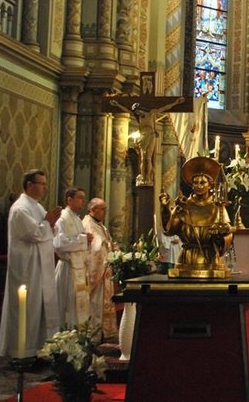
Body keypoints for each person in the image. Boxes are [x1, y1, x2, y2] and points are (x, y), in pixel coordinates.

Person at [0, 169, 62, 358]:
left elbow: (49, 230)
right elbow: (34, 233)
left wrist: (51, 223)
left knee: (39, 310)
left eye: (45, 184)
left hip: (40, 267)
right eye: (41, 184)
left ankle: (39, 349)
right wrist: (48, 222)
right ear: (29, 185)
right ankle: (22, 352)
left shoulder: (37, 206)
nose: (45, 187)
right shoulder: (20, 208)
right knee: (27, 310)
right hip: (27, 268)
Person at [159, 157, 234, 278]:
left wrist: (220, 236)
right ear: (191, 184)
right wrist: (165, 209)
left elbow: (228, 234)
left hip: (210, 258)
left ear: (210, 185)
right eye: (195, 182)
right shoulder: (184, 206)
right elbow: (170, 230)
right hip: (186, 259)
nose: (199, 186)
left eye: (202, 182)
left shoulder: (217, 207)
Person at [110, 96, 185, 185]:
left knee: (148, 158)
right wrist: (117, 104)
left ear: (141, 109)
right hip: (142, 137)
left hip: (151, 135)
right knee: (143, 159)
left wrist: (176, 102)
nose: (138, 113)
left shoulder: (151, 113)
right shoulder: (138, 117)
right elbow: (127, 110)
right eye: (136, 113)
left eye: (138, 111)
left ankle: (148, 177)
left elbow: (165, 108)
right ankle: (143, 177)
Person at [53, 187, 92, 328]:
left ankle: (78, 336)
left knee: (78, 306)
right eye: (80, 198)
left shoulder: (77, 219)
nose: (83, 201)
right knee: (67, 305)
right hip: (67, 268)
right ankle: (65, 335)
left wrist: (86, 241)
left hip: (79, 269)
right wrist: (83, 239)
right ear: (69, 200)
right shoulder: (62, 219)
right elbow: (59, 244)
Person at [83, 198, 118, 340]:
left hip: (104, 271)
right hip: (96, 270)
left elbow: (106, 243)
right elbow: (95, 249)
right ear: (93, 209)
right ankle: (93, 335)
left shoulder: (101, 226)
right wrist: (107, 246)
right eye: (102, 209)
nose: (105, 212)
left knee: (103, 302)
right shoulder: (87, 224)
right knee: (95, 304)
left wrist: (112, 247)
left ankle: (103, 333)